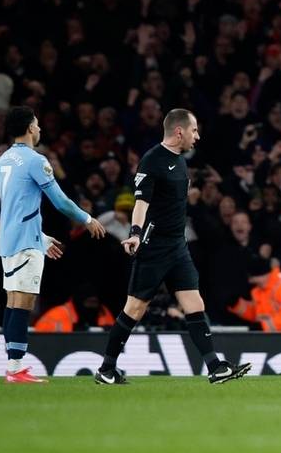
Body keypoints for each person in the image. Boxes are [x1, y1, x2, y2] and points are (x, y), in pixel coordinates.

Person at [95, 109, 250, 384]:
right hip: (153, 246)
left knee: (194, 302)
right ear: (179, 131)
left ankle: (215, 367)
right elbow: (141, 202)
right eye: (194, 130)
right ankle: (106, 368)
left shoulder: (179, 161)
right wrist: (135, 233)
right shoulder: (152, 160)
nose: (197, 136)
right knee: (134, 309)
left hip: (177, 246)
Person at [0, 106, 107, 382]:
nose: (40, 128)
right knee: (23, 302)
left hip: (9, 239)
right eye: (37, 124)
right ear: (31, 128)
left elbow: (13, 206)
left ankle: (13, 365)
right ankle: (16, 368)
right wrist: (87, 219)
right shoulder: (35, 160)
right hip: (25, 243)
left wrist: (41, 237)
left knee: (12, 301)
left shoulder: (3, 161)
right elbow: (61, 201)